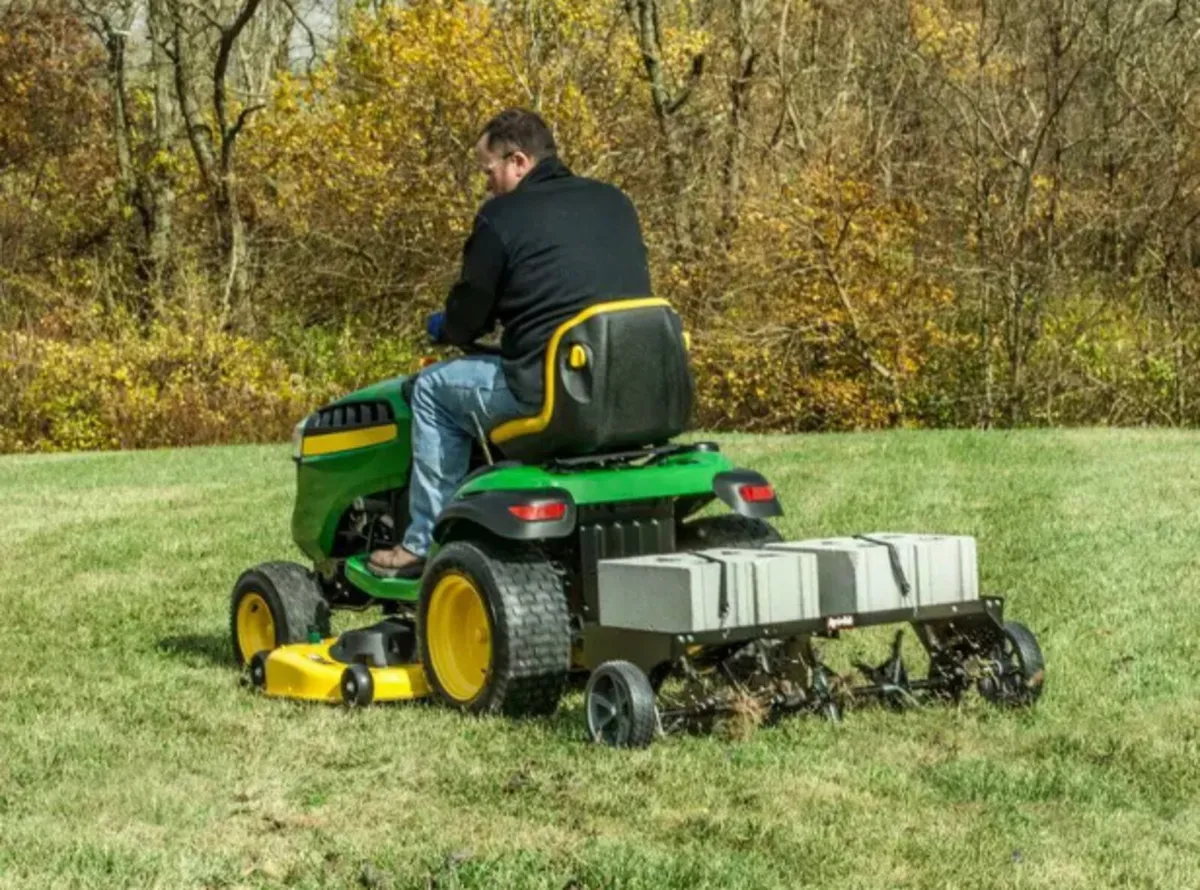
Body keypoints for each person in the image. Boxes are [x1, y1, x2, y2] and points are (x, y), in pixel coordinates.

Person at [368, 108, 653, 577]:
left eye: (489, 171)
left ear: (518, 161)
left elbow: (467, 319)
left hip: (556, 393)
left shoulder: (501, 218)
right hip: (634, 384)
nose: (487, 185)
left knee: (433, 390)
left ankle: (420, 544)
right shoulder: (614, 201)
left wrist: (445, 326)